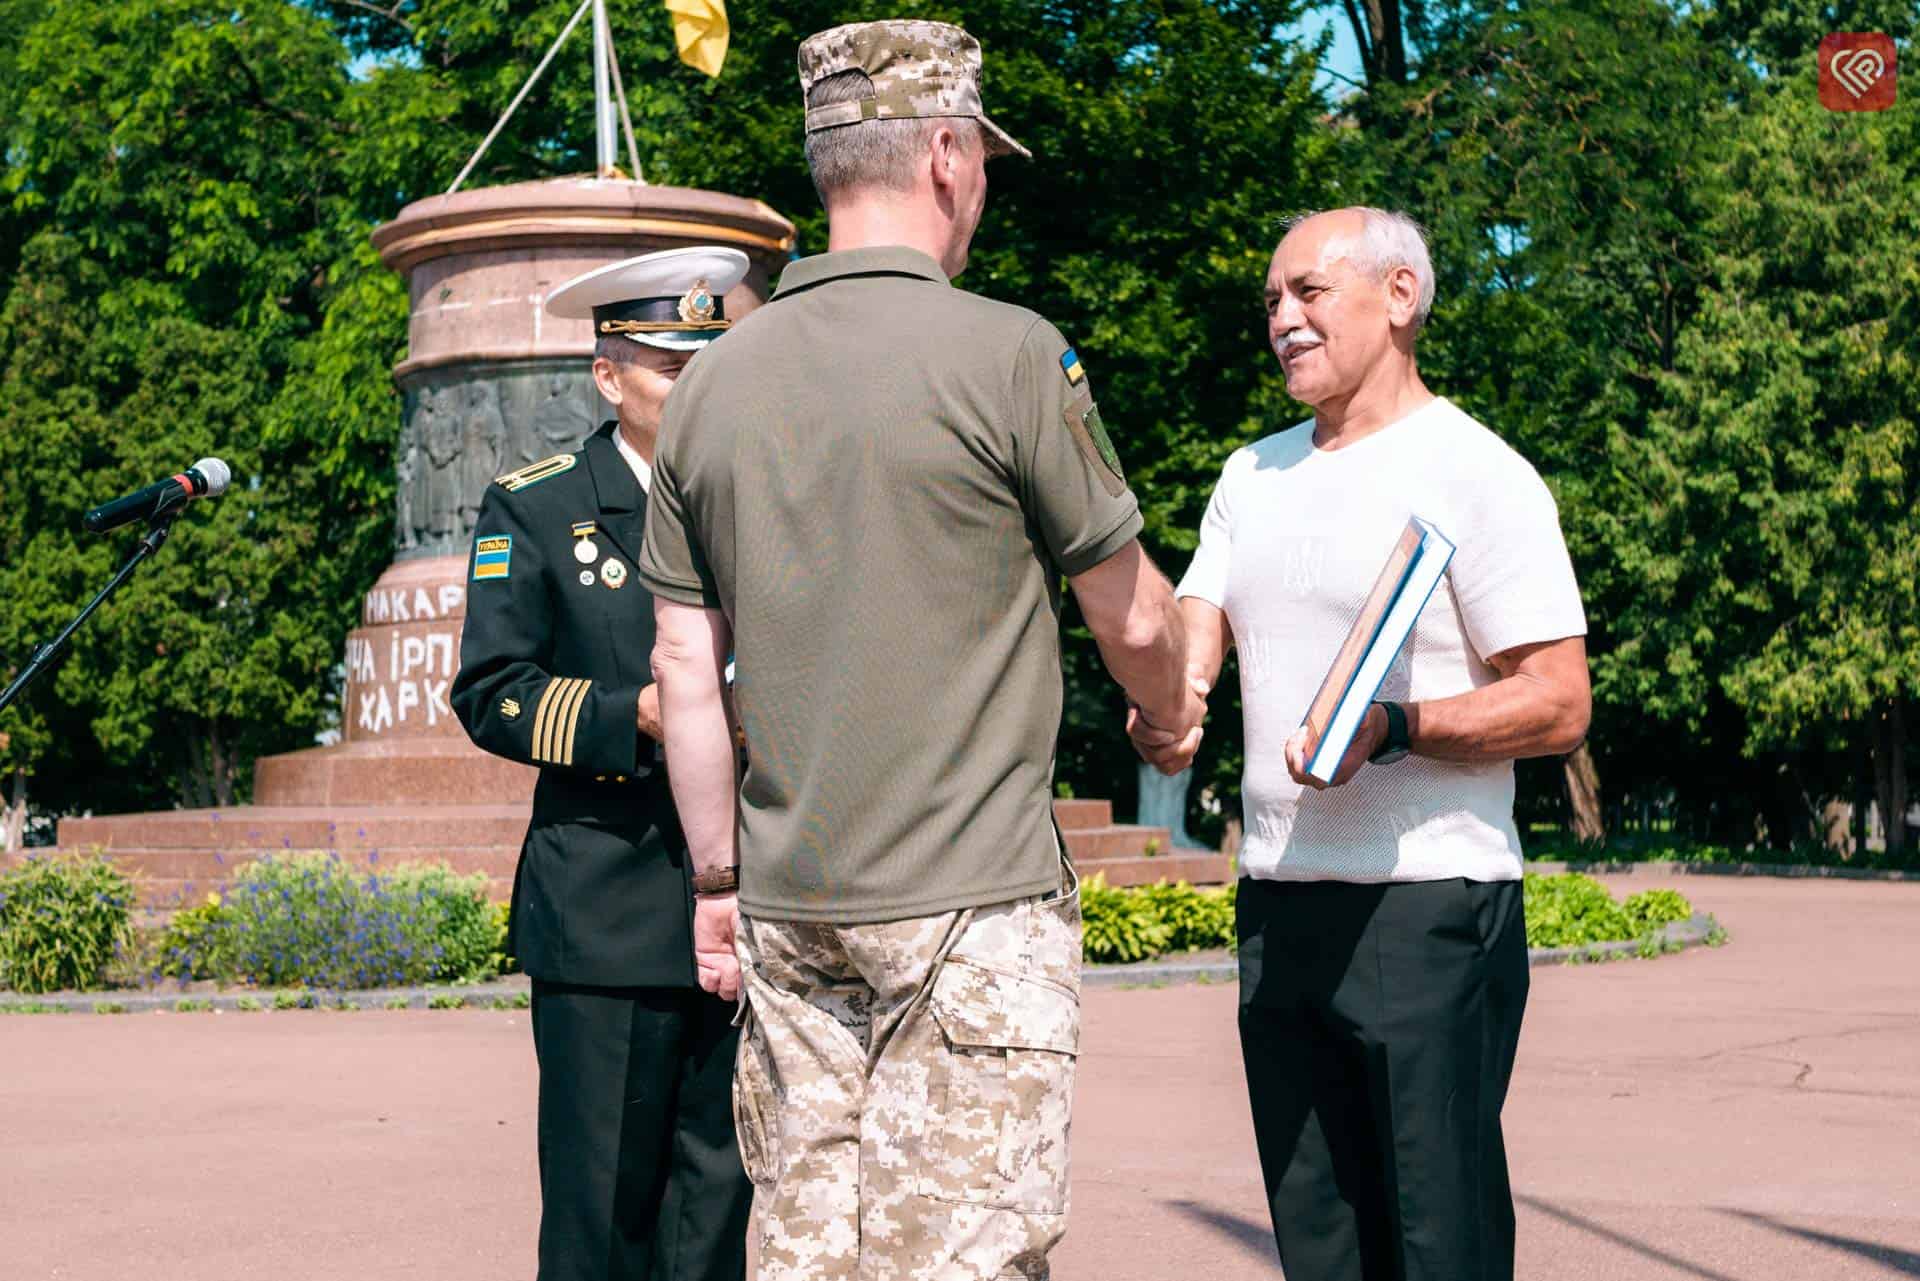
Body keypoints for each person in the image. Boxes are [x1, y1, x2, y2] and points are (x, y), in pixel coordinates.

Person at [637, 20, 1201, 1281]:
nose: (985, 186)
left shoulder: (709, 389)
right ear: (946, 156)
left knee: (803, 1256)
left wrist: (718, 886)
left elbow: (685, 668)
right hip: (973, 913)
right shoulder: (1007, 353)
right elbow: (1137, 617)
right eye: (984, 159)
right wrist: (1168, 716)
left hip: (790, 913)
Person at [1135, 207, 1591, 1281]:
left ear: (1399, 298)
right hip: (1281, 898)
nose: (1282, 319)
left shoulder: (1477, 472)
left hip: (1427, 906)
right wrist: (1175, 696)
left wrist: (1397, 729)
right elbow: (1202, 618)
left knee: (1438, 1241)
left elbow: (1559, 700)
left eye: (1308, 293)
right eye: (1271, 302)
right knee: (1321, 1239)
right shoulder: (1253, 474)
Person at [450, 247, 755, 1281]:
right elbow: (492, 692)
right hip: (610, 911)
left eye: (714, 361)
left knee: (716, 1213)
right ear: (609, 373)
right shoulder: (538, 508)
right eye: (675, 364)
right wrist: (637, 716)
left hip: (753, 907)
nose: (697, 384)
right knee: (603, 1223)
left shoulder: (755, 500)